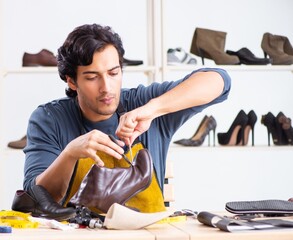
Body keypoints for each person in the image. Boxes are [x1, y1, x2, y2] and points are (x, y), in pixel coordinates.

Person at [23, 23, 231, 208]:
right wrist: (70, 154)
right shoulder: (49, 118)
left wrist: (152, 110)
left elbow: (220, 81)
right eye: (92, 77)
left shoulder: (142, 102)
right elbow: (38, 197)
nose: (107, 87)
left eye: (114, 73)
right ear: (71, 81)